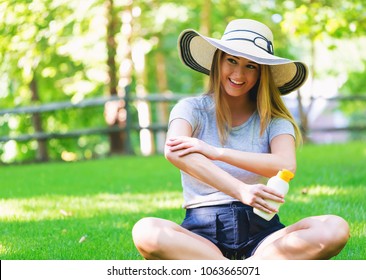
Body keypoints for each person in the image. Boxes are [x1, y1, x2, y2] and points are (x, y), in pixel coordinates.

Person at [132, 19, 349, 260]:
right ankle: (244, 270)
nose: (238, 74)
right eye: (232, 61)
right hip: (201, 236)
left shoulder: (275, 121)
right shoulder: (191, 109)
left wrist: (216, 152)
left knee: (335, 227)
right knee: (146, 231)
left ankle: (232, 269)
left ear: (261, 72)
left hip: (263, 236)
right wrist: (240, 190)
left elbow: (286, 164)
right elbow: (174, 151)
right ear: (219, 61)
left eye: (251, 66)